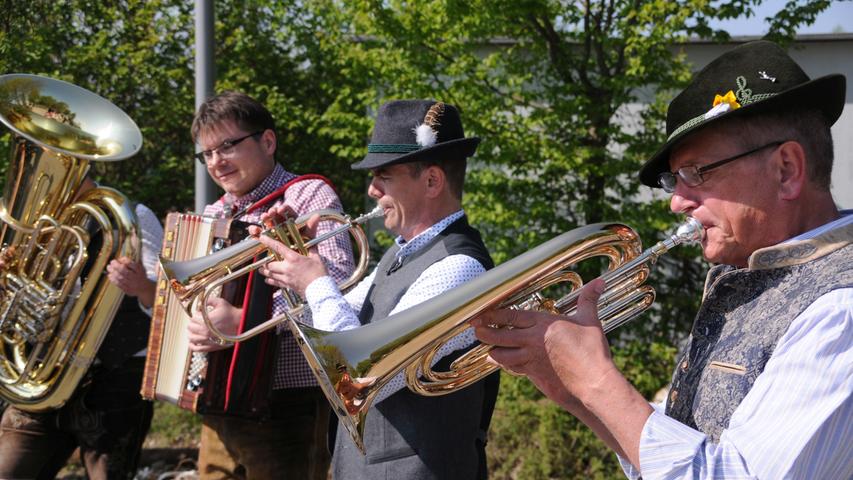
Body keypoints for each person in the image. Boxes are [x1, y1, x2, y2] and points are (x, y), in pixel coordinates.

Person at [472, 40, 852, 479]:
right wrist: (572, 388)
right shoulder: (750, 276)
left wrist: (597, 379)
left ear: (786, 168)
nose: (676, 201)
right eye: (676, 178)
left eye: (697, 172)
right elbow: (690, 450)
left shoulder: (839, 309)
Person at [256, 99, 500, 480]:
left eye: (383, 175)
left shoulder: (459, 268)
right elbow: (326, 341)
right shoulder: (398, 257)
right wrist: (300, 261)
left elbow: (362, 374)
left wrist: (316, 282)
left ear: (432, 181)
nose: (371, 190)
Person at [186, 90, 355, 480]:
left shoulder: (309, 194)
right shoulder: (214, 213)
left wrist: (248, 321)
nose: (216, 162)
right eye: (207, 153)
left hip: (289, 401)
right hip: (220, 398)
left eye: (227, 145)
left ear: (267, 141)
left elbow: (341, 282)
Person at [0, 177, 164, 480]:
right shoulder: (29, 221)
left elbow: (167, 297)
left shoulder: (133, 216)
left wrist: (141, 285)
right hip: (42, 378)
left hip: (113, 379)